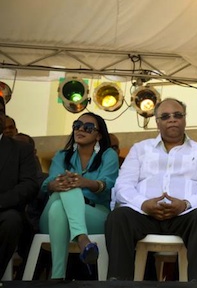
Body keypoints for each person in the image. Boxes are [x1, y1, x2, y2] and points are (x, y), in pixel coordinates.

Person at [106, 98, 197, 281]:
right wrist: (144, 204)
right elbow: (123, 186)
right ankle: (118, 283)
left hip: (185, 216)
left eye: (177, 115)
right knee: (118, 217)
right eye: (166, 116)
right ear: (157, 122)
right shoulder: (140, 149)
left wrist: (185, 204)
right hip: (144, 216)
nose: (172, 119)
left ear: (185, 119)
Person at [39, 112, 119, 279]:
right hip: (51, 221)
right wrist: (55, 184)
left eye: (88, 127)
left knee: (58, 207)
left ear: (98, 135)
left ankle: (57, 277)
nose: (80, 129)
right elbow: (48, 183)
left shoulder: (108, 155)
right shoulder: (62, 155)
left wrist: (85, 182)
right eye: (77, 125)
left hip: (94, 214)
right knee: (66, 190)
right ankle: (82, 238)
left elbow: (108, 184)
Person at [0, 96, 39, 277]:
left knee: (11, 221)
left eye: (1, 112)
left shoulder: (21, 150)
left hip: (5, 212)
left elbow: (29, 185)